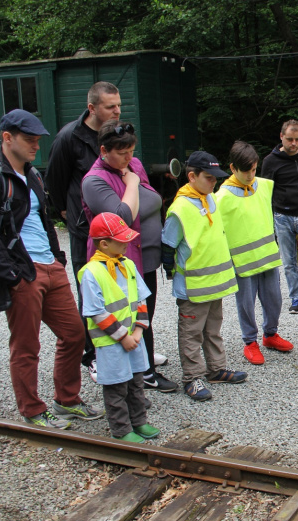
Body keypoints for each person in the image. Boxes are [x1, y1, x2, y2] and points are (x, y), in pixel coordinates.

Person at [0, 109, 104, 428]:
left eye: (37, 139)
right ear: (7, 138)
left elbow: (46, 221)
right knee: (26, 345)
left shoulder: (32, 175)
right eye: (29, 139)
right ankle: (32, 410)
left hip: (50, 267)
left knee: (75, 334)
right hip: (22, 271)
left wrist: (58, 258)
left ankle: (67, 400)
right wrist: (11, 275)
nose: (36, 145)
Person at [45, 82, 137, 378]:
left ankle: (126, 340)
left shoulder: (116, 134)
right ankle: (93, 354)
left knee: (121, 286)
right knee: (91, 290)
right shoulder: (68, 138)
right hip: (85, 229)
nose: (117, 111)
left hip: (116, 229)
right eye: (110, 106)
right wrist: (66, 214)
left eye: (119, 105)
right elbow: (54, 182)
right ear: (92, 108)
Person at [81, 120, 176, 393]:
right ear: (103, 150)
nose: (129, 158)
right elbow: (122, 217)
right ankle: (140, 372)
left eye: (131, 151)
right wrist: (132, 183)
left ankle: (142, 364)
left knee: (146, 312)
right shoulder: (94, 180)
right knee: (126, 315)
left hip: (144, 258)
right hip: (118, 262)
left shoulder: (132, 165)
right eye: (122, 152)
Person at [161, 151, 247, 401]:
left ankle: (216, 369)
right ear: (192, 176)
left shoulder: (209, 199)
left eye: (215, 178)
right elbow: (168, 245)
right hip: (193, 286)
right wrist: (170, 271)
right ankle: (192, 377)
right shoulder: (180, 208)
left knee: (213, 329)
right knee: (191, 333)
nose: (214, 183)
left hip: (214, 284)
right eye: (209, 178)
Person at [79, 212, 160, 443]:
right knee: (116, 387)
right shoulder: (92, 273)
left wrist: (137, 332)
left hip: (133, 339)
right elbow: (95, 312)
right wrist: (123, 336)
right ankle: (122, 429)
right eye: (121, 240)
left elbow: (142, 300)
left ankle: (139, 422)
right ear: (104, 243)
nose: (127, 243)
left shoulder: (129, 265)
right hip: (111, 342)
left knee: (136, 383)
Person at [217, 141, 294, 366]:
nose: (251, 174)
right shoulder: (221, 197)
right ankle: (250, 342)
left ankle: (270, 335)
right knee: (246, 303)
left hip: (267, 257)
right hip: (242, 262)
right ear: (232, 168)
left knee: (274, 300)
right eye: (246, 170)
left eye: (254, 168)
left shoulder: (264, 185)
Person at [260, 119, 298, 314]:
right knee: (288, 261)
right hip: (282, 216)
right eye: (290, 139)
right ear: (281, 137)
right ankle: (297, 297)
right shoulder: (270, 161)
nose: (294, 144)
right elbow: (265, 191)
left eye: (297, 139)